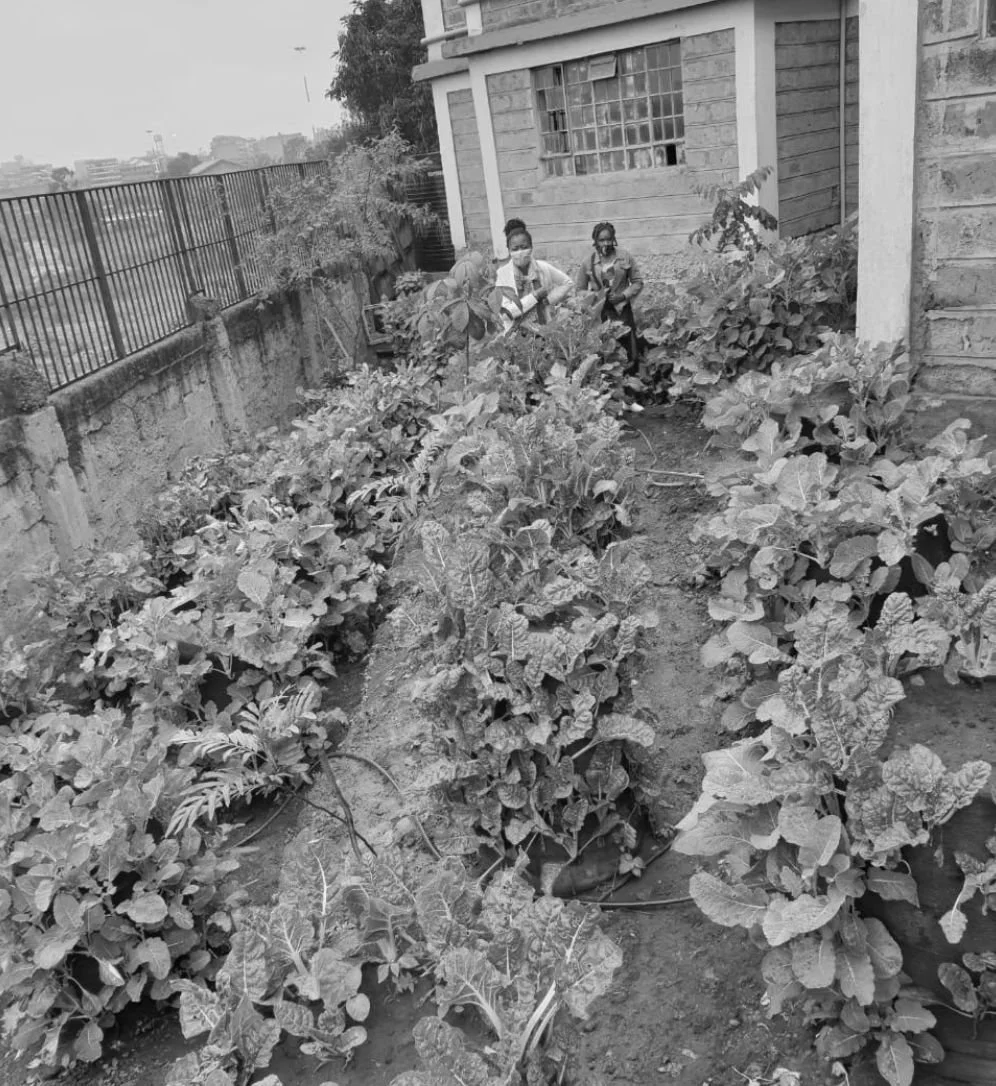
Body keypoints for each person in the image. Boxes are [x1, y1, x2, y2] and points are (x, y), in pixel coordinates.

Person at [574, 222, 644, 368]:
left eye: (609, 239)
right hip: (600, 314)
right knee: (604, 349)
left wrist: (623, 296)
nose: (606, 243)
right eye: (601, 240)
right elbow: (579, 290)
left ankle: (630, 378)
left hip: (622, 311)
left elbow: (637, 282)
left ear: (613, 239)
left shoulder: (625, 257)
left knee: (628, 349)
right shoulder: (588, 262)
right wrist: (596, 295)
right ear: (595, 241)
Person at [495, 225, 573, 331]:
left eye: (524, 247)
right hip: (515, 335)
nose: (520, 252)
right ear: (509, 250)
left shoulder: (542, 267)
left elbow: (567, 282)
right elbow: (505, 314)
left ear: (531, 247)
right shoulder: (502, 275)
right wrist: (534, 296)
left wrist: (549, 299)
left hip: (543, 330)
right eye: (515, 249)